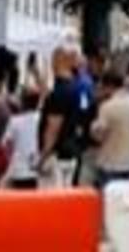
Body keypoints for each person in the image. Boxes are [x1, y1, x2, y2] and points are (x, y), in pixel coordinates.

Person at [38, 45, 97, 187]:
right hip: (76, 151)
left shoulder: (59, 93)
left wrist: (43, 156)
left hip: (56, 156)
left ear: (58, 61)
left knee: (52, 199)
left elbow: (53, 128)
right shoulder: (85, 88)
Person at [90, 69, 129, 188]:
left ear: (108, 86)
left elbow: (99, 135)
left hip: (110, 163)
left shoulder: (107, 107)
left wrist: (92, 127)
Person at [3, 88, 43, 189]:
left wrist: (9, 160)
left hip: (19, 168)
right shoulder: (42, 119)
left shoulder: (15, 121)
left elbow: (6, 144)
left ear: (22, 102)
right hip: (38, 166)